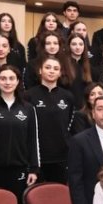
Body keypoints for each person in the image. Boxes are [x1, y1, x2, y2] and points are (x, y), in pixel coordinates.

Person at [0, 64, 39, 204]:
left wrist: (34, 169)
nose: (7, 82)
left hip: (18, 168)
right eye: (3, 78)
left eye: (12, 78)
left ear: (18, 81)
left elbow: (33, 139)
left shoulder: (28, 108)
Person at [26, 54, 75, 183]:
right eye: (47, 67)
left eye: (55, 68)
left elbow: (69, 123)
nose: (51, 71)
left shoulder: (68, 96)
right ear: (40, 71)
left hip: (61, 156)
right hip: (37, 157)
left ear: (60, 73)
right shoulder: (29, 95)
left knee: (59, 192)